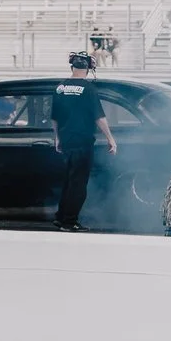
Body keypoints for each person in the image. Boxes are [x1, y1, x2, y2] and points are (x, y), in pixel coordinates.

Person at [51, 52, 119, 231]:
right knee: (78, 184)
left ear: (72, 67)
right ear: (88, 69)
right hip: (82, 141)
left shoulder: (60, 88)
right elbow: (99, 117)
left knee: (69, 180)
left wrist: (58, 137)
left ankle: (60, 216)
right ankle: (69, 222)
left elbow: (55, 117)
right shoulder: (88, 89)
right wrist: (110, 138)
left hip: (66, 140)